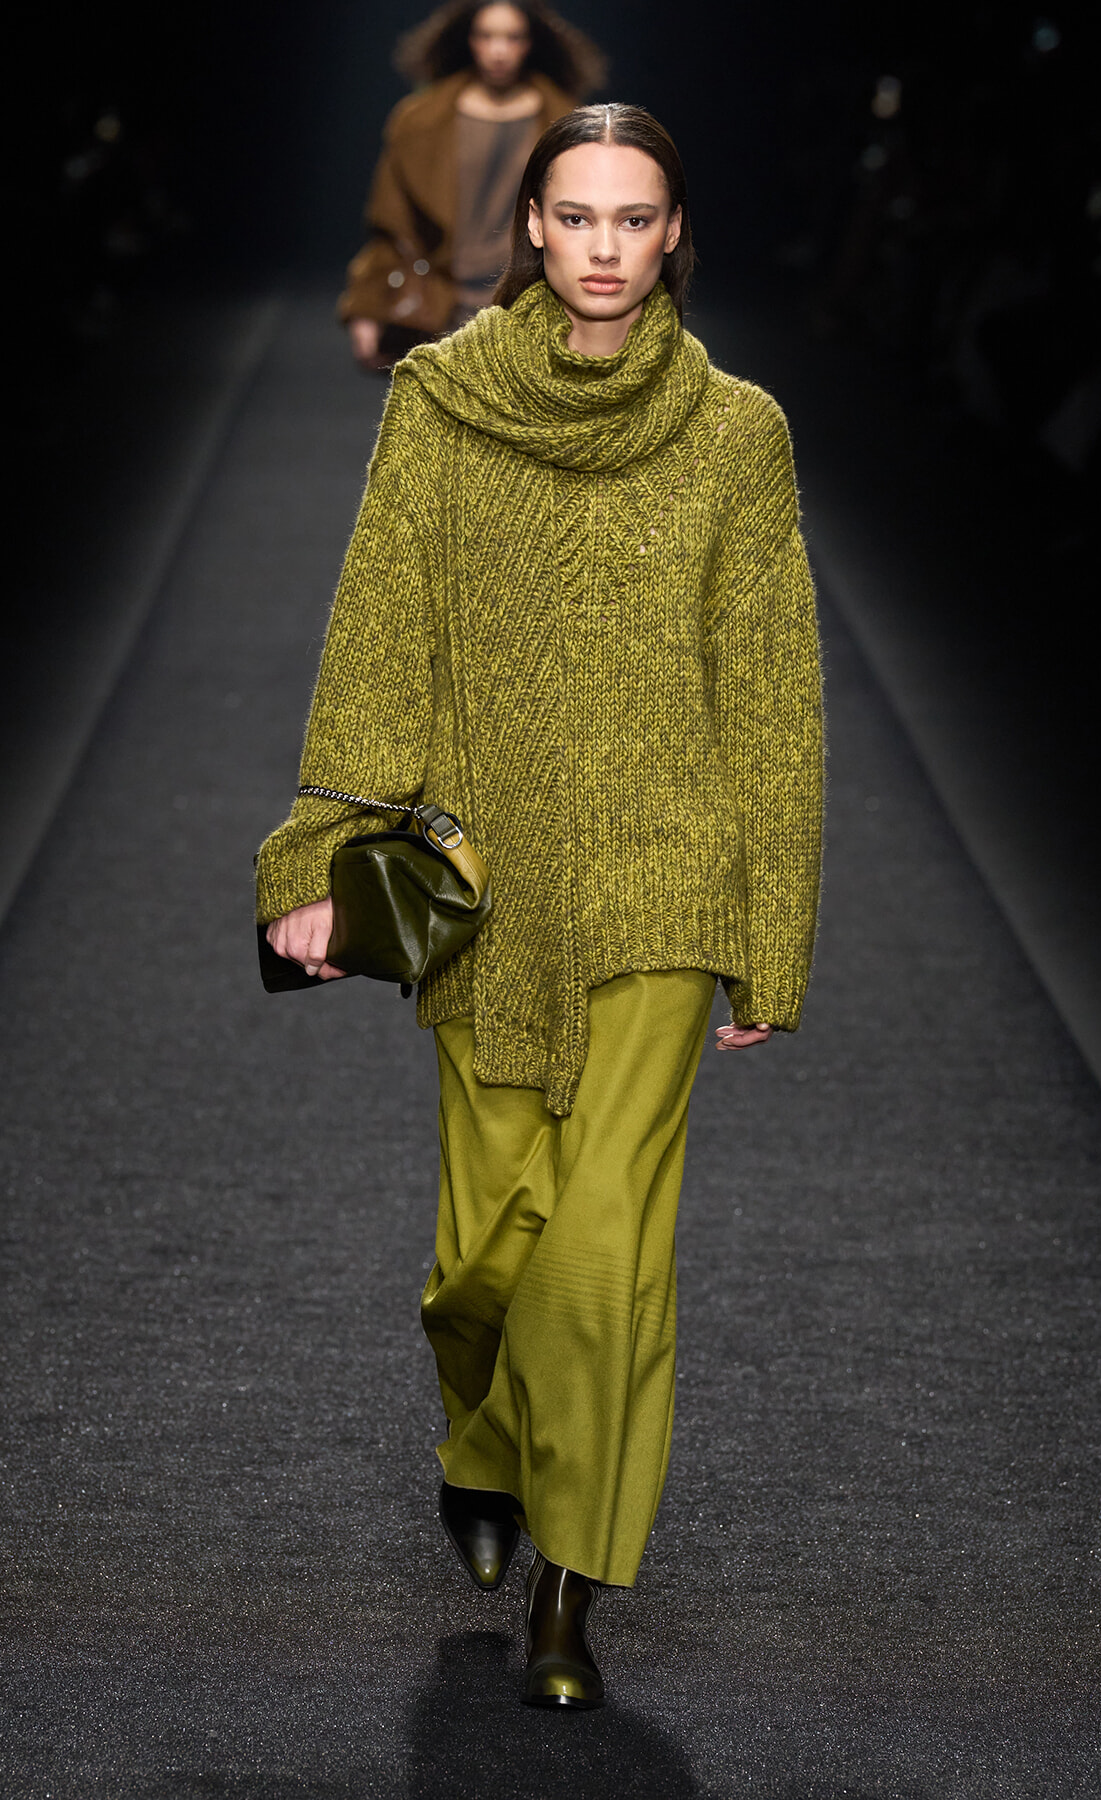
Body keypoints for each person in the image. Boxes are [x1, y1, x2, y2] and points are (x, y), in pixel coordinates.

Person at [259, 103, 824, 1708]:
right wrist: (319, 849)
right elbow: (383, 630)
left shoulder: (738, 433)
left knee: (600, 1256)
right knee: (485, 1262)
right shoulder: (441, 402)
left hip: (665, 885)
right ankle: (483, 1441)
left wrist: (771, 928)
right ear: (530, 228)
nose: (602, 249)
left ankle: (571, 1589)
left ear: (674, 233)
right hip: (486, 888)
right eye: (575, 217)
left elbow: (770, 692)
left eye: (633, 220)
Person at [341, 0, 604, 369]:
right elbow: (391, 225)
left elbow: (593, 221)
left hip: (533, 308)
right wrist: (368, 308)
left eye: (513, 38)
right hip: (441, 308)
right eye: (486, 36)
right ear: (468, 40)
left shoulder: (567, 124)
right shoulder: (419, 122)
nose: (499, 51)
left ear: (531, 43)